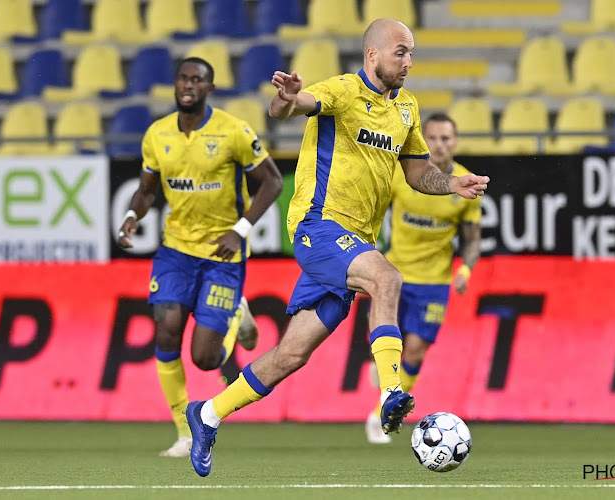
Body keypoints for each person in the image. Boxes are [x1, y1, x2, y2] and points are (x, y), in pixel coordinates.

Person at [184, 18, 489, 477]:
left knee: (292, 354)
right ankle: (390, 391)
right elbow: (292, 106)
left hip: (353, 241)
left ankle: (207, 414)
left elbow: (417, 173)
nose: (408, 61)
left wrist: (451, 184)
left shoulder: (406, 108)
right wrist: (287, 97)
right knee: (386, 277)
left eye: (411, 53)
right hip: (318, 226)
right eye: (400, 52)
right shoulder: (344, 91)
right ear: (373, 55)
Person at [117, 57, 283, 458]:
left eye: (198, 79)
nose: (188, 84)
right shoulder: (157, 135)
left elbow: (273, 182)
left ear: (210, 88)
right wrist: (131, 216)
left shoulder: (232, 131)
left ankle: (237, 316)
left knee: (206, 360)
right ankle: (183, 432)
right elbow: (146, 190)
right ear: (175, 85)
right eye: (183, 78)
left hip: (222, 254)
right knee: (166, 329)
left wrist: (239, 230)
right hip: (175, 249)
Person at [365, 113, 482, 444]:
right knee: (379, 337)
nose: (439, 145)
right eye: (432, 138)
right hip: (395, 275)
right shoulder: (404, 176)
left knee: (415, 351)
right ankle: (383, 368)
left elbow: (473, 239)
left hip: (434, 282)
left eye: (446, 139)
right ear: (423, 141)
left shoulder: (465, 185)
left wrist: (465, 270)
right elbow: (375, 214)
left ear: (455, 142)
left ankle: (379, 415)